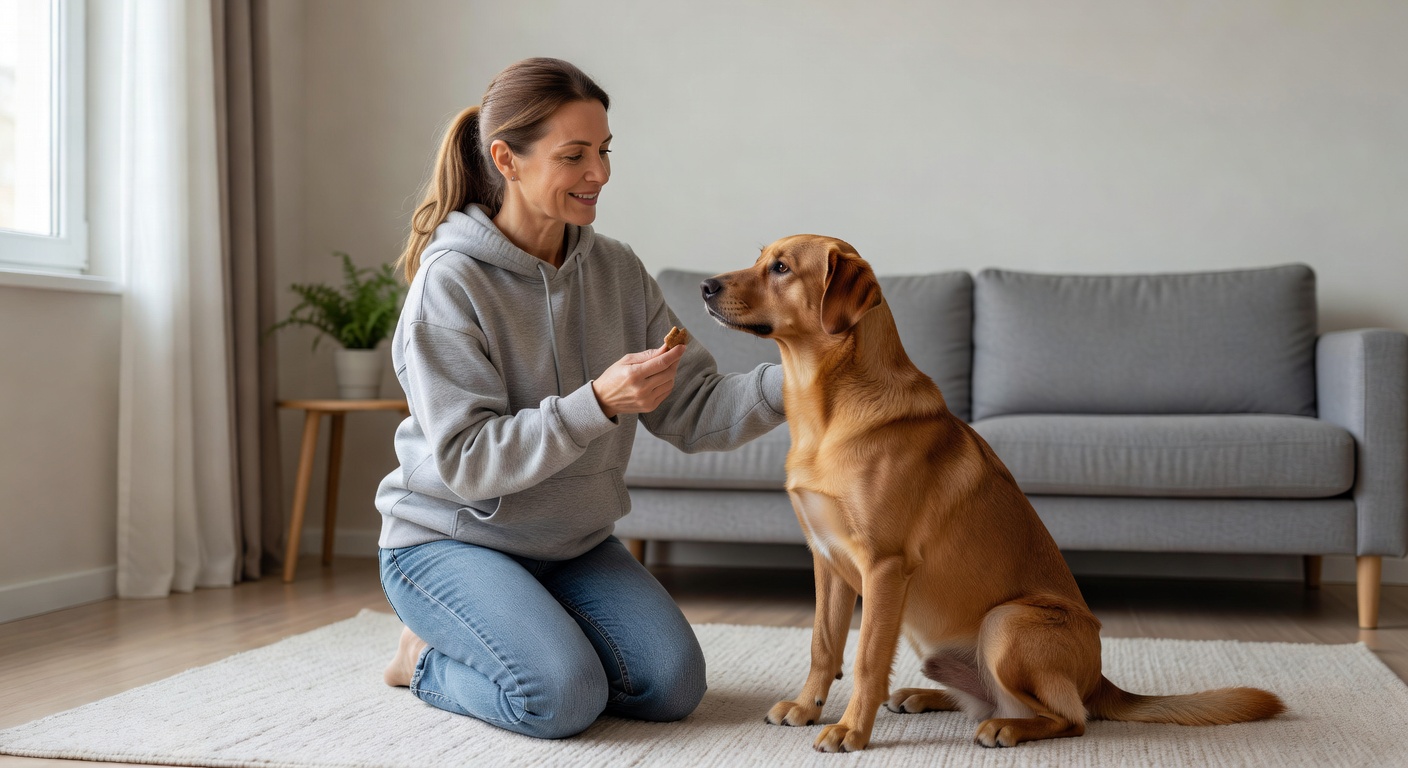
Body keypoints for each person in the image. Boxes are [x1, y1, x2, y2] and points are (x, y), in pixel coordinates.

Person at [375, 58, 786, 739]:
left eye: (603, 151)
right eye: (575, 156)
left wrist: (798, 380)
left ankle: (534, 629)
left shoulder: (617, 270)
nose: (600, 173)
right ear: (506, 158)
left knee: (671, 685)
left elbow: (695, 411)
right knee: (559, 699)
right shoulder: (450, 284)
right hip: (450, 542)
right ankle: (421, 660)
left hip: (573, 544)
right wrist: (595, 402)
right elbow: (469, 463)